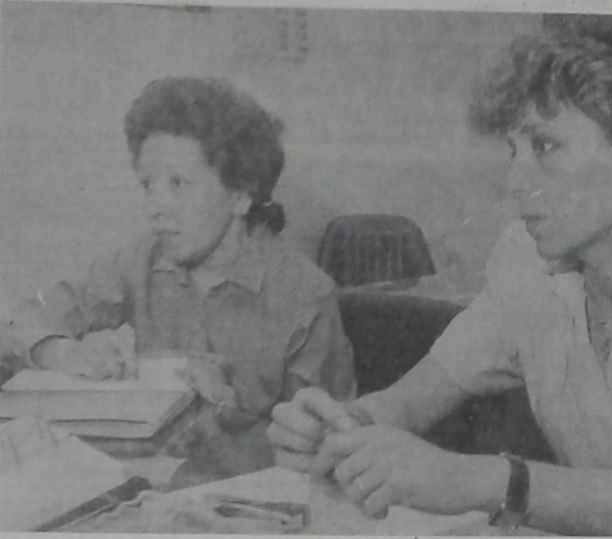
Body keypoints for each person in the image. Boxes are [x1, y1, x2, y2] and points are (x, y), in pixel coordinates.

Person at [267, 16, 612, 537]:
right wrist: (342, 426)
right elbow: (411, 401)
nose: (513, 181)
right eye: (513, 150)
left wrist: (486, 481)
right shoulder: (525, 265)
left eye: (545, 146)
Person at [3, 77, 356, 485]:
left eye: (178, 184)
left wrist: (226, 408)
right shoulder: (140, 259)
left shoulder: (305, 297)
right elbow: (24, 316)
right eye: (147, 184)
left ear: (241, 195)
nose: (156, 207)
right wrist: (59, 350)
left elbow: (329, 449)